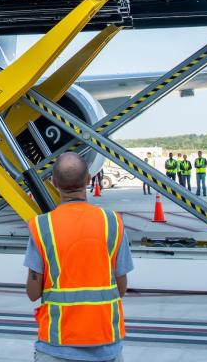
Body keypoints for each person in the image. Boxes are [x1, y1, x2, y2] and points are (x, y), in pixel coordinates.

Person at [24, 152, 132, 362]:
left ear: (54, 182)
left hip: (57, 344)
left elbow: (33, 293)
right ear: (89, 179)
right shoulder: (112, 222)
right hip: (106, 343)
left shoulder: (42, 226)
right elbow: (121, 287)